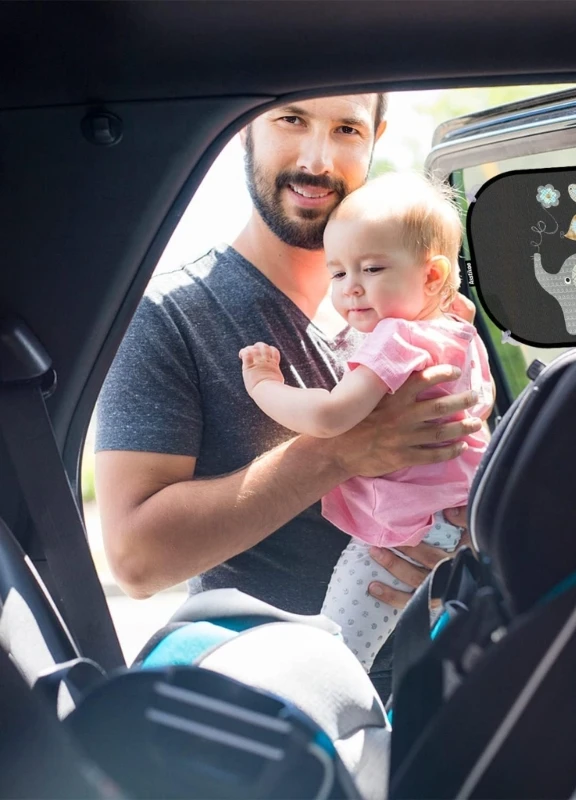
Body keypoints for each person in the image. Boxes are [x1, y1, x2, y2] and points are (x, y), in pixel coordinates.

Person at [94, 93, 484, 701]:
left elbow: (470, 461)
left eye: (347, 129)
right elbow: (135, 560)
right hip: (282, 703)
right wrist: (338, 452)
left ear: (376, 136)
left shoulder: (427, 312)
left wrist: (461, 537)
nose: (317, 158)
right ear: (243, 129)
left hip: (447, 681)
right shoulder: (170, 316)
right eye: (291, 119)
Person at [239, 173, 494, 669]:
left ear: (433, 276)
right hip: (455, 520)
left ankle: (334, 723)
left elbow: (332, 416)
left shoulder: (398, 337)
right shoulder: (456, 328)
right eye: (337, 274)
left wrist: (264, 385)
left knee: (339, 653)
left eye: (372, 268)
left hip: (405, 530)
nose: (352, 289)